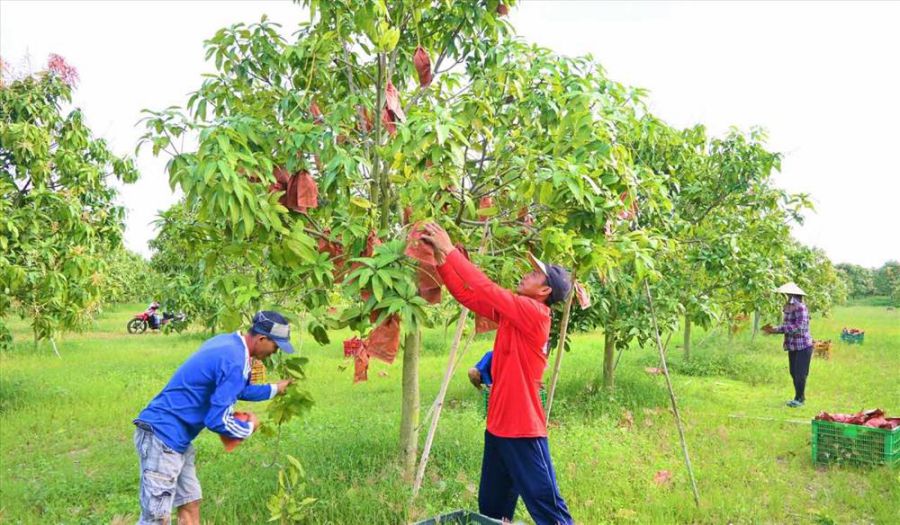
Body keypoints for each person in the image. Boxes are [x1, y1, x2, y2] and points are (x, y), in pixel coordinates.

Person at [422, 222, 574, 525]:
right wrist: (442, 263)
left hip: (523, 431)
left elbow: (486, 289)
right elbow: (471, 298)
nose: (525, 274)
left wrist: (451, 250)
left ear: (544, 291)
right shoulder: (514, 314)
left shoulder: (535, 313)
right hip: (498, 429)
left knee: (549, 510)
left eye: (534, 274)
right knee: (492, 510)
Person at [132, 311, 295, 524]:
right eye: (276, 346)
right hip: (162, 436)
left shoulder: (231, 344)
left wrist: (275, 389)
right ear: (262, 339)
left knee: (190, 503)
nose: (274, 353)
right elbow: (216, 420)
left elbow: (238, 388)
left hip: (177, 439)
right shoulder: (235, 361)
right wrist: (248, 427)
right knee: (156, 518)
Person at [762, 282, 813, 408]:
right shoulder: (789, 306)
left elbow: (799, 327)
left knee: (800, 374)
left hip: (803, 345)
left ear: (792, 295)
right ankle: (799, 397)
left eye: (786, 294)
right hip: (793, 345)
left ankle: (799, 399)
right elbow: (790, 325)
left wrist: (776, 329)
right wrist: (774, 329)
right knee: (793, 372)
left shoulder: (800, 307)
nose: (785, 296)